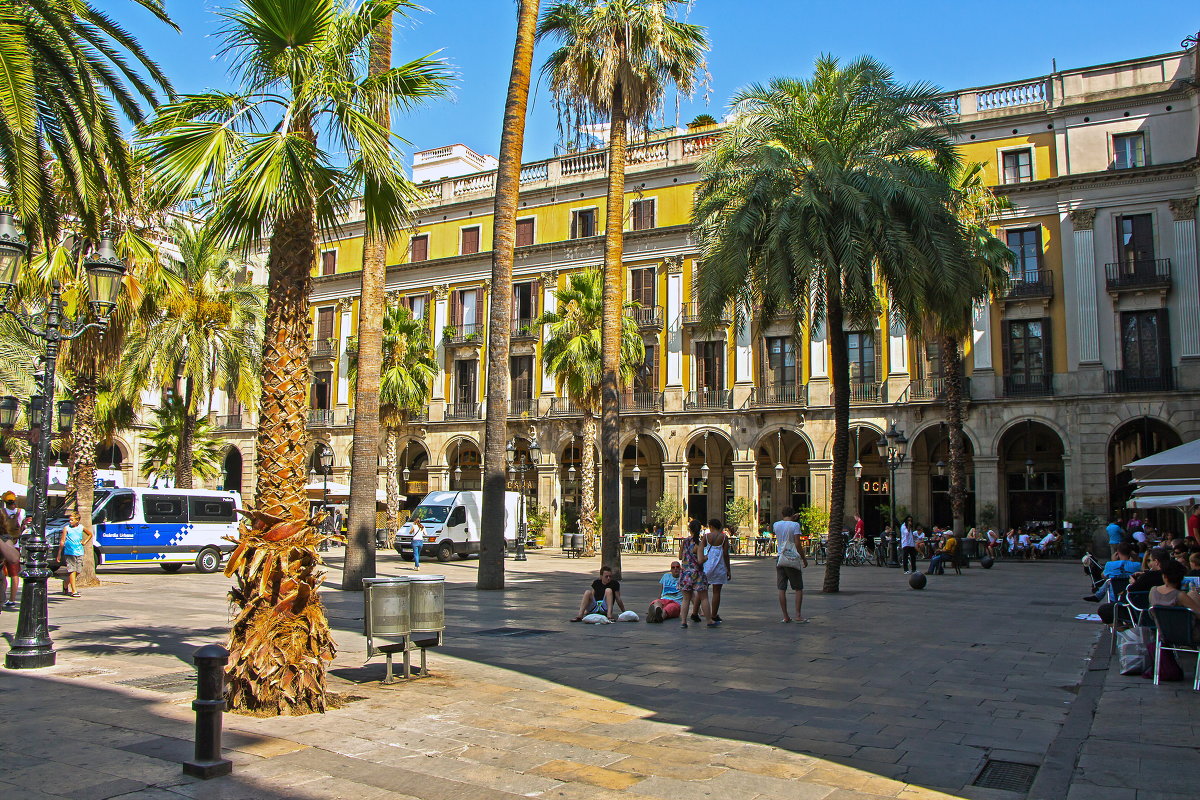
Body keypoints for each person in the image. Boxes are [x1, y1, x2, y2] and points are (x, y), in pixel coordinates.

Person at [773, 506, 809, 623]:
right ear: (793, 514)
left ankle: (785, 616)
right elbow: (797, 543)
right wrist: (804, 558)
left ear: (782, 514)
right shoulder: (795, 525)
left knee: (781, 588)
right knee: (798, 587)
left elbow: (782, 534)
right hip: (791, 557)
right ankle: (798, 615)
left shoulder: (776, 525)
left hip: (780, 557)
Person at [678, 520, 713, 627]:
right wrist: (706, 557)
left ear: (690, 529)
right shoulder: (699, 543)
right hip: (697, 573)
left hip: (685, 574)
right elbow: (700, 560)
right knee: (704, 597)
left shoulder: (685, 542)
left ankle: (683, 621)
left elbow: (680, 557)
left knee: (686, 599)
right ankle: (709, 621)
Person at [55, 511, 92, 598]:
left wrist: (84, 542)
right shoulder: (66, 528)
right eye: (70, 520)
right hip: (69, 552)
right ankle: (74, 590)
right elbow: (62, 541)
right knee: (72, 570)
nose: (70, 521)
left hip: (79, 551)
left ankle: (65, 583)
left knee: (78, 571)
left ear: (77, 520)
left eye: (72, 520)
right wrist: (59, 553)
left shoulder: (81, 527)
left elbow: (90, 534)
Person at [703, 517, 731, 622]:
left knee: (702, 590)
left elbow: (701, 549)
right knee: (716, 592)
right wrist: (728, 569)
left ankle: (696, 612)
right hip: (719, 567)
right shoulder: (724, 537)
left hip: (707, 566)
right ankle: (714, 615)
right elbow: (725, 554)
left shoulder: (706, 536)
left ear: (711, 526)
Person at [1, 490, 25, 610]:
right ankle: (12, 599)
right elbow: (22, 526)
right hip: (15, 545)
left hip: (3, 544)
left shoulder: (2, 512)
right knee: (14, 574)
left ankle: (3, 596)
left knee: (3, 572)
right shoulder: (21, 512)